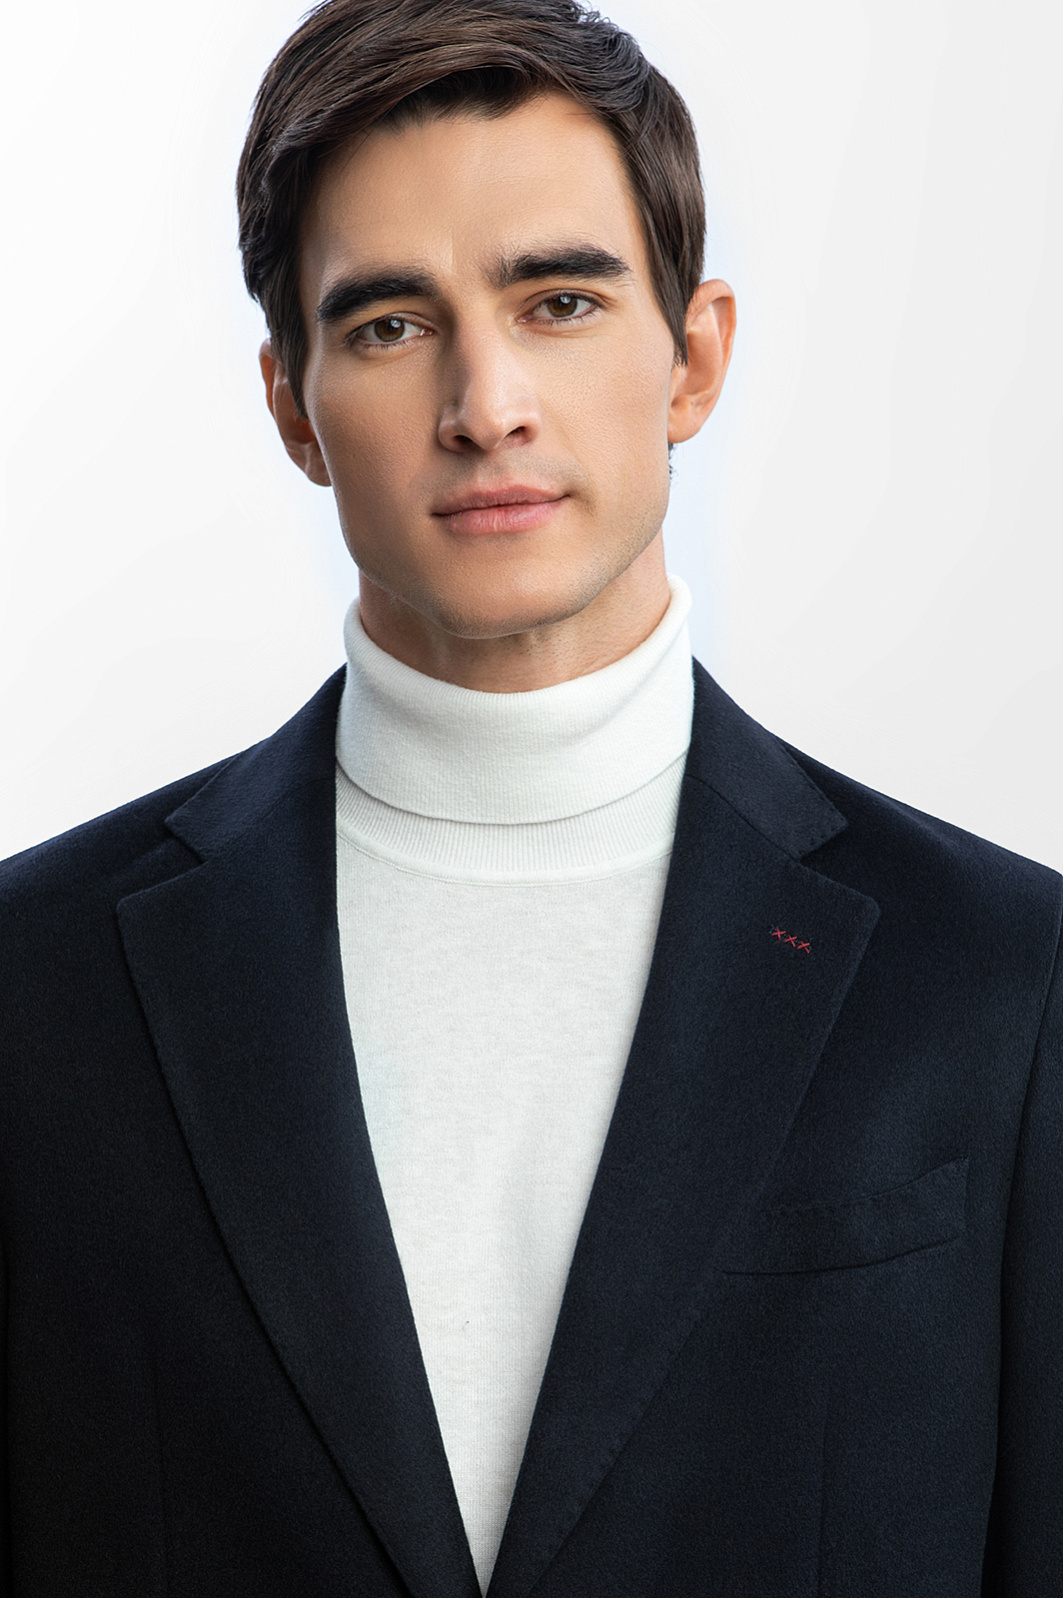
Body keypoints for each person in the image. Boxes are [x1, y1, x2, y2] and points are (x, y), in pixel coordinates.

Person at [0, 0, 1060, 1591]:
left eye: (559, 300)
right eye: (387, 325)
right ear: (292, 407)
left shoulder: (998, 978)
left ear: (694, 357)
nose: (485, 401)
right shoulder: (36, 983)